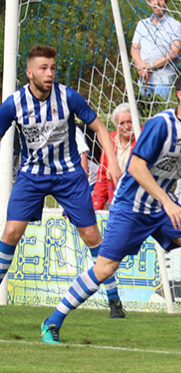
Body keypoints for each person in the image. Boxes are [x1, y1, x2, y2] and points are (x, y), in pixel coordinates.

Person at [40, 71, 181, 345]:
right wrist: (168, 200)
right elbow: (135, 166)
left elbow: (177, 164)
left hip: (161, 208)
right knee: (104, 269)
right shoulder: (161, 124)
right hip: (131, 208)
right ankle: (52, 322)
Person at [0, 45, 126, 319]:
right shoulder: (14, 103)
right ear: (29, 72)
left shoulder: (68, 97)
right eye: (43, 68)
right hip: (32, 176)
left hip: (69, 176)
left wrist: (113, 162)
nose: (49, 73)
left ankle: (114, 299)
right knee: (11, 232)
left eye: (53, 68)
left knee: (91, 236)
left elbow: (100, 127)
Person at [130, 0, 181, 108]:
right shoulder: (142, 24)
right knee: (143, 112)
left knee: (160, 111)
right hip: (144, 77)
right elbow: (134, 48)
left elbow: (174, 52)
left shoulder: (175, 25)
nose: (157, 2)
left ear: (167, 2)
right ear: (149, 2)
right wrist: (141, 65)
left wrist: (151, 65)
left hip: (163, 79)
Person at [92, 103, 136, 210]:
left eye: (130, 122)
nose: (126, 126)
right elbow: (102, 177)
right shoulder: (110, 141)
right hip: (117, 202)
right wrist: (95, 207)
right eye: (122, 123)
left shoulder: (144, 137)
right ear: (116, 126)